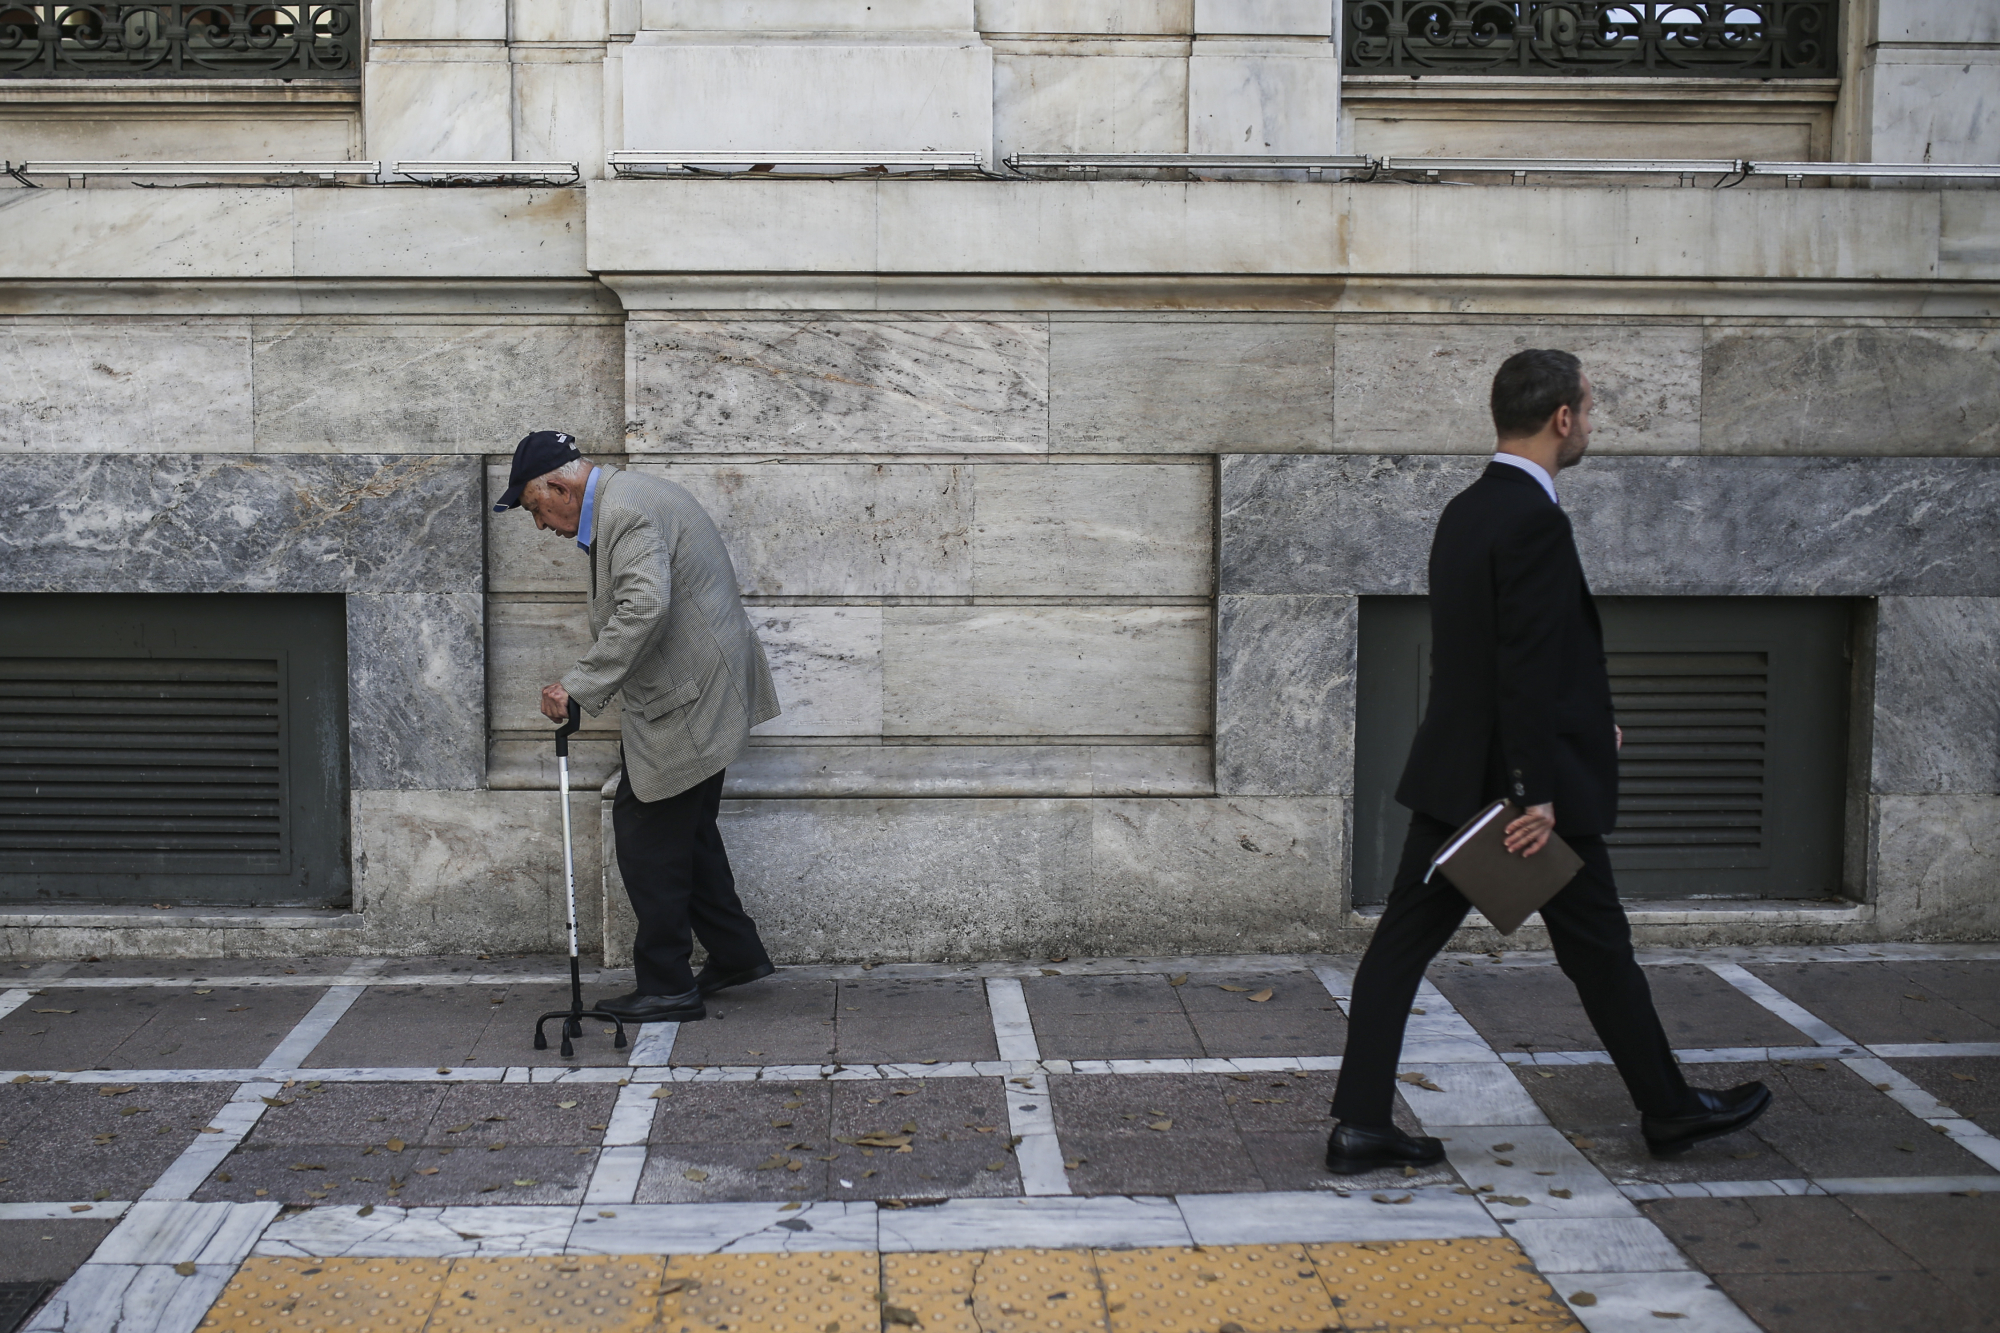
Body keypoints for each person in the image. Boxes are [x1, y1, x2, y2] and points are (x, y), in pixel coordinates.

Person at [1324, 350, 1771, 1173]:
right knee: (1599, 949)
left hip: (1460, 777)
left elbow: (1510, 656)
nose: (1591, 423)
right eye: (1590, 409)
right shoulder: (1534, 519)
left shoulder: (1466, 510)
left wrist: (1594, 722)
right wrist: (1537, 790)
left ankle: (1360, 1122)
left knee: (1407, 948)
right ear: (1562, 416)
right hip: (1519, 798)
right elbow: (1523, 664)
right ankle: (1669, 1111)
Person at [494, 430, 781, 1024]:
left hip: (691, 698)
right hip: (702, 688)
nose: (540, 525)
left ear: (558, 486)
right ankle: (735, 952)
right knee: (688, 829)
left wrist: (578, 684)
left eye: (533, 508)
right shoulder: (630, 499)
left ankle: (667, 983)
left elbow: (644, 606)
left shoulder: (627, 511)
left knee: (648, 835)